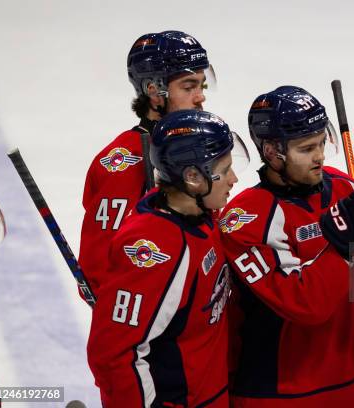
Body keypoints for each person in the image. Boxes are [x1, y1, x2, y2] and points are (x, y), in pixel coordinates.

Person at [220, 85, 354, 407]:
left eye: (322, 143)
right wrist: (341, 241)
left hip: (350, 386)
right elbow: (305, 305)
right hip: (275, 396)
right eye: (307, 148)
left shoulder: (343, 188)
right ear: (271, 152)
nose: (320, 155)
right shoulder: (245, 217)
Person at [87, 109, 249, 407]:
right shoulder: (155, 250)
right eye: (224, 171)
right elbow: (113, 356)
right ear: (192, 178)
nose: (234, 179)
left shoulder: (203, 216)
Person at [79, 30, 215, 292]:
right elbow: (100, 268)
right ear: (154, 91)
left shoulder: (196, 143)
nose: (200, 97)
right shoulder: (123, 164)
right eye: (188, 87)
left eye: (202, 85)